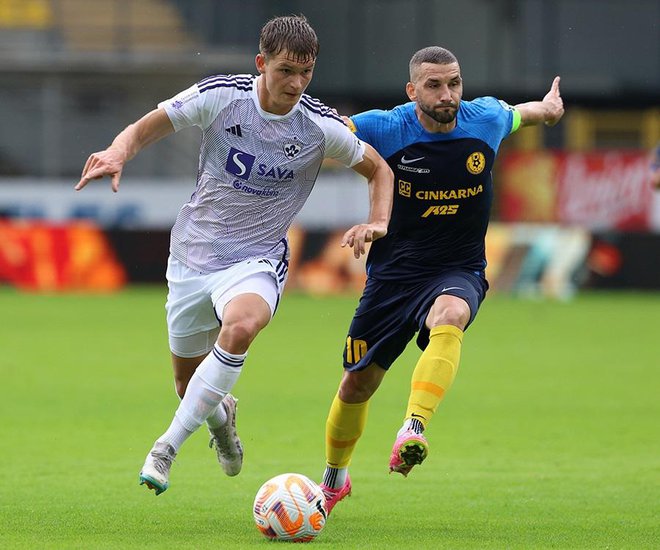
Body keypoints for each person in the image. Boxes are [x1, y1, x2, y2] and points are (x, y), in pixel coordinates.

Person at [75, 15, 393, 496]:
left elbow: (379, 170)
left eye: (306, 72)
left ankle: (166, 447)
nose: (297, 83)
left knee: (242, 325)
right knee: (189, 386)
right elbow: (145, 128)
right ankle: (222, 420)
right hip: (191, 255)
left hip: (257, 259)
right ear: (261, 63)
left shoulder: (320, 126)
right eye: (286, 70)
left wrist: (378, 221)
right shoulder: (222, 96)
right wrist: (119, 151)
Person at [318, 46, 564, 513]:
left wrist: (548, 111)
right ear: (412, 91)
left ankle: (413, 427)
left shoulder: (484, 118)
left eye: (454, 83)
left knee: (450, 313)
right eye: (434, 85)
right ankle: (334, 480)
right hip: (393, 277)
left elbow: (521, 114)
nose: (447, 94)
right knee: (356, 385)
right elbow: (329, 131)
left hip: (459, 267)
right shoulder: (386, 127)